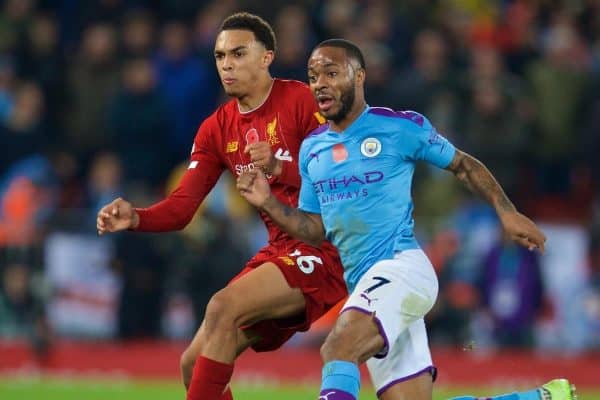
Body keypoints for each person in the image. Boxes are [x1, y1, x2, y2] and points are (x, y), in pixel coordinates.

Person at [236, 39, 576, 400]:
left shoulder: (397, 127)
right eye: (313, 75)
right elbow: (315, 229)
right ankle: (542, 397)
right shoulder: (312, 149)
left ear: (359, 76)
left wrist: (507, 212)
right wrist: (269, 203)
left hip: (402, 269)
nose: (319, 83)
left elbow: (462, 164)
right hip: (365, 284)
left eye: (331, 73)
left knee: (338, 348)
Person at [96, 13, 347, 400]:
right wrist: (137, 217)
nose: (226, 64)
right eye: (219, 56)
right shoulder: (216, 129)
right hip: (278, 251)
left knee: (220, 306)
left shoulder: (300, 99)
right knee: (192, 364)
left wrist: (282, 167)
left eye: (238, 53)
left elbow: (342, 171)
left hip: (325, 247)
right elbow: (182, 208)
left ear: (267, 57)